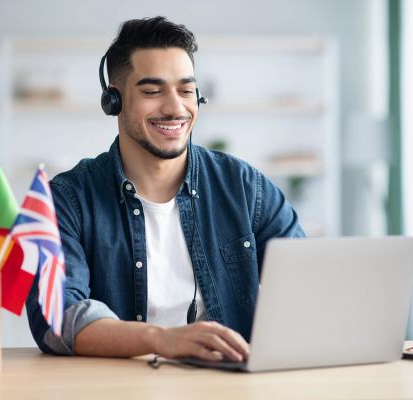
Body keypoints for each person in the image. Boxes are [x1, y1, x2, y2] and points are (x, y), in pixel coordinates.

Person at [26, 16, 305, 362]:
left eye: (186, 90)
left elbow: (306, 291)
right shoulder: (68, 199)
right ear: (114, 101)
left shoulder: (247, 189)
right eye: (152, 91)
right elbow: (58, 320)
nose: (175, 108)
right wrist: (161, 340)